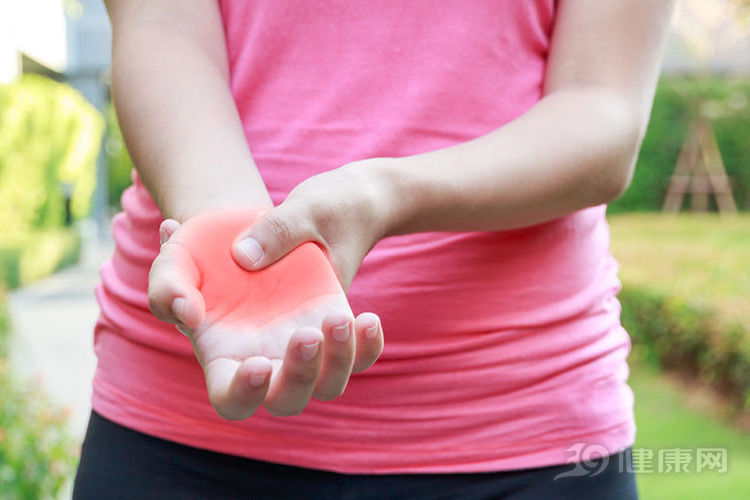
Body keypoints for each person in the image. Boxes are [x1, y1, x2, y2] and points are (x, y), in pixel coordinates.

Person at [73, 0, 674, 498]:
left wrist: (385, 194)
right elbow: (161, 32)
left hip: (521, 427)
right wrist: (232, 231)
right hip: (179, 433)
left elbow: (604, 107)